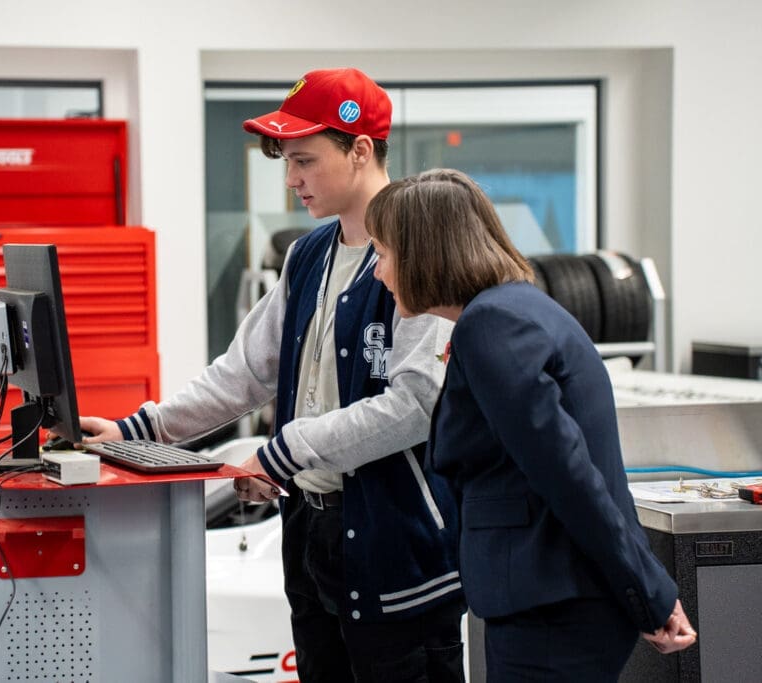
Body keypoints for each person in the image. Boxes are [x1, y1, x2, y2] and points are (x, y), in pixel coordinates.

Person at [80, 68, 466, 682]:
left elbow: (415, 405)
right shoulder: (308, 255)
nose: (292, 180)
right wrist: (137, 429)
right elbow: (244, 373)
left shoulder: (420, 253)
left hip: (396, 550)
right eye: (287, 162)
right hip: (310, 533)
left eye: (305, 161)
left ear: (360, 148)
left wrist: (280, 454)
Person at [365, 168, 697, 681]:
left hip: (552, 608)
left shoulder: (492, 325)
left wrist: (647, 591)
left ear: (422, 254)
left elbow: (569, 475)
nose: (378, 272)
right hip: (553, 602)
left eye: (383, 254)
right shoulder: (513, 312)